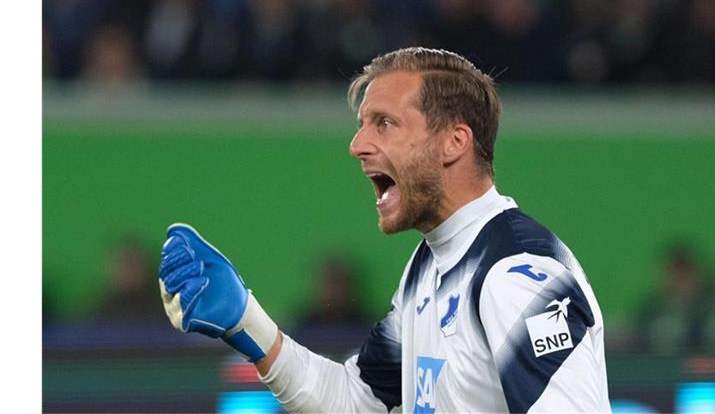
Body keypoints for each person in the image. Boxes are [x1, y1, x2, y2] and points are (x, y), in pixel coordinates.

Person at [158, 47, 611, 412]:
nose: (357, 145)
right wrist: (246, 321)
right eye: (362, 126)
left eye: (385, 124)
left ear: (455, 142)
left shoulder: (516, 274)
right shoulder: (429, 265)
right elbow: (358, 401)